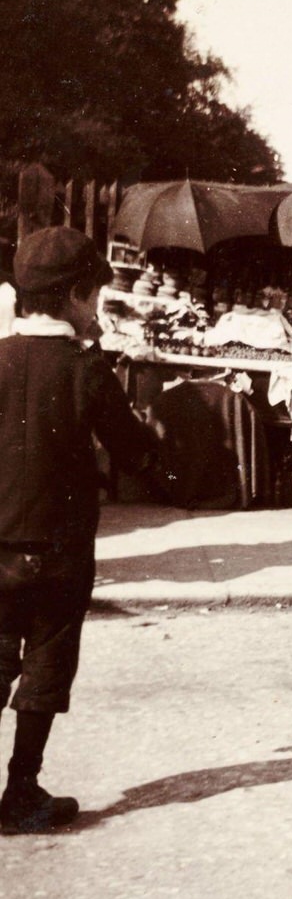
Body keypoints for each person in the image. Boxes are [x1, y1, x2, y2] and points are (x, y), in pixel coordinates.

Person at [0, 227, 157, 834]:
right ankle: (20, 792)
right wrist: (150, 438)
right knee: (45, 664)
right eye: (92, 298)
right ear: (75, 297)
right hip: (60, 549)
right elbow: (134, 453)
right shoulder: (86, 370)